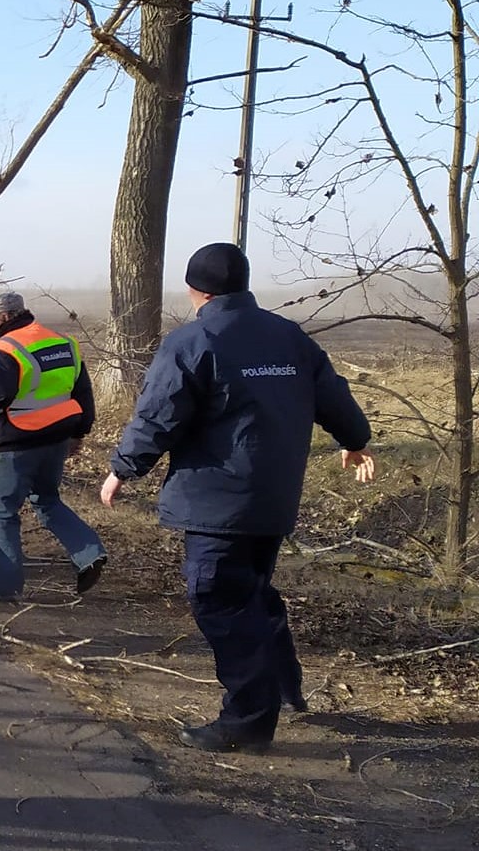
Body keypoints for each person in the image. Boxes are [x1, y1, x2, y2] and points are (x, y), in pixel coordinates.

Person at [101, 242, 376, 754]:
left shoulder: (194, 339)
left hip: (217, 501)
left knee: (219, 599)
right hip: (273, 498)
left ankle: (249, 719)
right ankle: (285, 686)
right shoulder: (288, 336)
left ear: (193, 290)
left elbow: (159, 415)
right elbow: (333, 395)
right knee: (251, 592)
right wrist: (355, 440)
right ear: (244, 285)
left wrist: (123, 469)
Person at [0, 291, 107, 601]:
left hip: (19, 440)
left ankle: (3, 589)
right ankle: (90, 553)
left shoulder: (6, 349)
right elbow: (83, 393)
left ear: (4, 317)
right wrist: (79, 434)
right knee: (47, 500)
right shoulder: (61, 342)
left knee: (1, 513)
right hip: (57, 438)